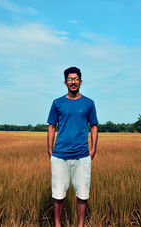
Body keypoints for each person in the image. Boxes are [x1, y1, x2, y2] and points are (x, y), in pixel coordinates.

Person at [47, 67, 98, 227]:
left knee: (82, 194)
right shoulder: (57, 103)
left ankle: (80, 225)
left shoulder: (89, 103)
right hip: (60, 155)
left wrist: (93, 149)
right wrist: (50, 150)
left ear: (81, 82)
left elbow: (94, 126)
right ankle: (57, 224)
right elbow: (51, 127)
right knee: (58, 194)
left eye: (76, 79)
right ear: (65, 82)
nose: (73, 82)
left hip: (82, 156)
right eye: (70, 79)